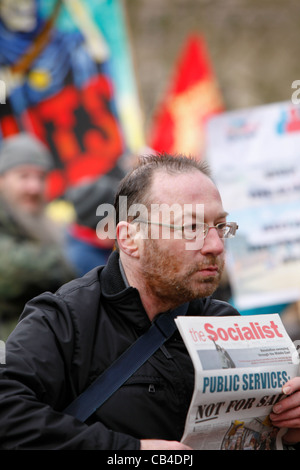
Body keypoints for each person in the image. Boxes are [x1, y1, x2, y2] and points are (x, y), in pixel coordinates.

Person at [0, 153, 299, 450]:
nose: (216, 245)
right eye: (191, 227)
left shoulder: (225, 323)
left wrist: (290, 431)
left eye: (220, 226)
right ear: (130, 238)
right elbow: (9, 416)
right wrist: (134, 452)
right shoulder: (65, 319)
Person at [0, 132, 75, 339]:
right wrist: (77, 255)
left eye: (40, 177)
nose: (34, 187)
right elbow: (12, 271)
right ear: (2, 180)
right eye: (24, 176)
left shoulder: (46, 222)